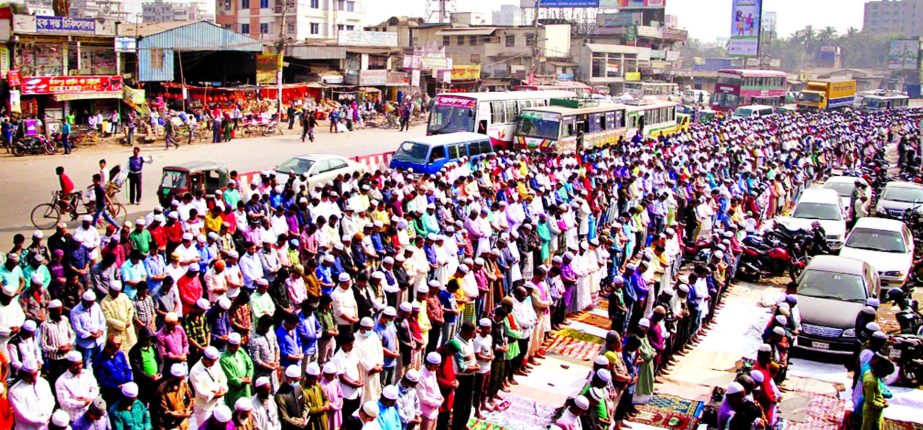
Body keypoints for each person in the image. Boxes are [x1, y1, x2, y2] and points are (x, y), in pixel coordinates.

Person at [55, 351, 100, 421]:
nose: (79, 367)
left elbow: (95, 390)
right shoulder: (61, 381)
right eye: (76, 365)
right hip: (73, 419)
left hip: (89, 416)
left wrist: (88, 399)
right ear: (69, 365)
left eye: (81, 363)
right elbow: (65, 402)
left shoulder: (87, 373)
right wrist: (83, 403)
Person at [190, 346, 228, 427]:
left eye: (215, 361)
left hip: (218, 403)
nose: (213, 364)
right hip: (204, 408)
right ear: (205, 359)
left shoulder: (215, 363)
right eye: (211, 362)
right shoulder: (195, 371)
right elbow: (200, 392)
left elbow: (223, 378)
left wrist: (222, 389)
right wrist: (215, 395)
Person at [153, 363, 194, 430]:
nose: (180, 382)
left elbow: (191, 399)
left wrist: (188, 409)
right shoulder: (162, 390)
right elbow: (165, 411)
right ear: (172, 376)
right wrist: (181, 415)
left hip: (184, 423)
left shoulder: (184, 384)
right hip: (170, 424)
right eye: (178, 379)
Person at [220, 332, 254, 408]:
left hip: (246, 388)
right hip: (234, 391)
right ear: (229, 345)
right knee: (236, 410)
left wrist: (249, 376)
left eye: (238, 346)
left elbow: (250, 365)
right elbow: (230, 377)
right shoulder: (224, 359)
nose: (237, 349)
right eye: (235, 347)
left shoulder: (241, 351)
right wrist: (241, 381)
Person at [276, 364, 310, 430]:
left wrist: (303, 417)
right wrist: (299, 422)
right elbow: (285, 417)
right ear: (288, 378)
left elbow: (306, 403)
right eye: (296, 380)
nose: (297, 382)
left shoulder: (299, 387)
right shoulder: (280, 395)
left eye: (298, 380)